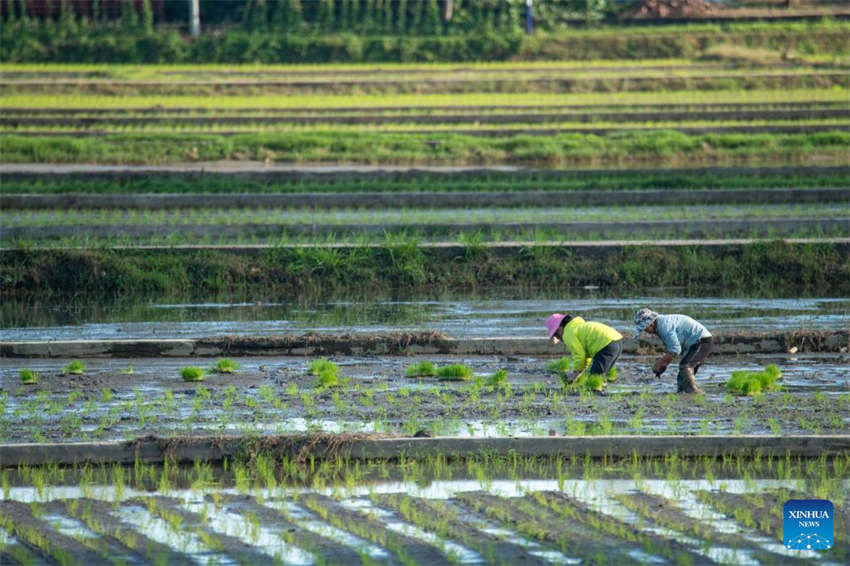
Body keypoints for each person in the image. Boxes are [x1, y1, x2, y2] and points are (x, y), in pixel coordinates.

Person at [633, 307, 713, 394]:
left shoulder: (664, 327)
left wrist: (660, 363)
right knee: (683, 375)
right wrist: (664, 364)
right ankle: (683, 394)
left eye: (645, 328)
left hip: (702, 341)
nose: (646, 331)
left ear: (650, 324)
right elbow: (675, 350)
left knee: (686, 367)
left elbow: (675, 349)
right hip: (693, 344)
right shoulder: (661, 324)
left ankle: (694, 394)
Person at [546, 312, 623, 385]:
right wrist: (579, 372)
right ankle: (601, 388)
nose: (559, 339)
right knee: (600, 375)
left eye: (556, 336)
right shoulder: (577, 327)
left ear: (559, 329)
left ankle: (595, 391)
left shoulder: (568, 334)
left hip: (605, 344)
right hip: (616, 341)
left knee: (594, 377)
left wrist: (575, 373)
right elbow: (585, 356)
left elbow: (579, 355)